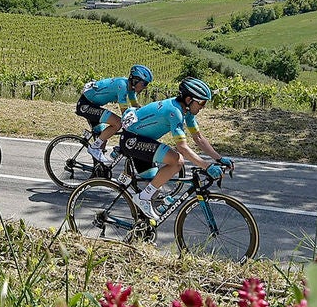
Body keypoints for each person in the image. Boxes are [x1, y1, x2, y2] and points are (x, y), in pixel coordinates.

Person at [120, 76, 233, 221]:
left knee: (155, 187)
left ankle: (141, 227)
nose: (203, 106)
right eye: (202, 102)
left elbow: (198, 138)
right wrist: (207, 166)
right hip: (132, 140)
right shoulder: (174, 111)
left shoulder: (188, 112)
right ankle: (142, 199)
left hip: (140, 140)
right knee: (177, 161)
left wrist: (219, 158)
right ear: (189, 100)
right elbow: (182, 148)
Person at [76, 64, 153, 165]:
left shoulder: (131, 90)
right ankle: (93, 147)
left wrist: (147, 116)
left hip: (94, 105)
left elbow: (136, 107)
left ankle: (98, 170)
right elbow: (125, 113)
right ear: (136, 80)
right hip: (85, 104)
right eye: (145, 84)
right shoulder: (122, 86)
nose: (145, 87)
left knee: (102, 138)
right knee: (118, 123)